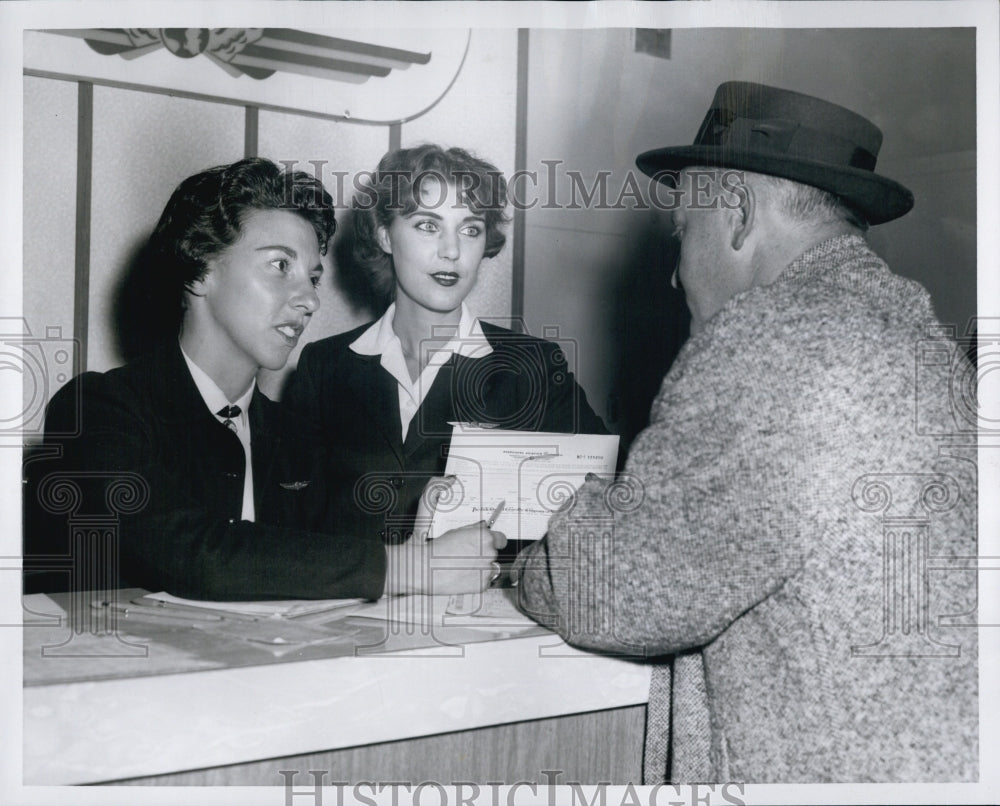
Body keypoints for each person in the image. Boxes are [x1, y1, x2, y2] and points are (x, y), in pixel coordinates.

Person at [512, 82, 977, 783]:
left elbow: (612, 591)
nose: (673, 277)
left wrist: (522, 557)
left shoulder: (767, 336)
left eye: (682, 235)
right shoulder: (924, 343)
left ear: (735, 211)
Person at [23, 157, 503, 600]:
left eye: (313, 277)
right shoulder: (99, 410)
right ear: (199, 268)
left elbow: (326, 561)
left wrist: (419, 538)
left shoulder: (293, 435)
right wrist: (413, 568)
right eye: (280, 266)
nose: (309, 300)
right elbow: (192, 554)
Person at [284, 144, 606, 553]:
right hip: (342, 609)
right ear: (384, 234)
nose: (452, 251)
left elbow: (605, 497)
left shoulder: (535, 368)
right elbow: (288, 522)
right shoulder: (323, 366)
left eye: (470, 229)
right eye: (427, 226)